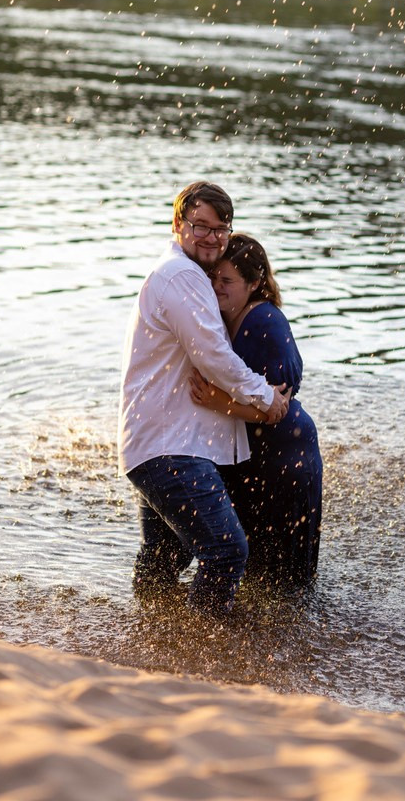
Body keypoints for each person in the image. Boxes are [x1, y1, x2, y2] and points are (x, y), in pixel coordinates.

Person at [118, 182, 289, 615]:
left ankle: (148, 642)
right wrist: (265, 396)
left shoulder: (178, 273)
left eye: (222, 229)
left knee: (164, 561)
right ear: (178, 224)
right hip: (170, 448)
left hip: (156, 443)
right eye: (201, 226)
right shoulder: (183, 276)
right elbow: (214, 357)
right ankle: (202, 656)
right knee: (226, 551)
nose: (213, 237)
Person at [189, 234, 322, 587]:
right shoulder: (224, 318)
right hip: (259, 454)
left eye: (226, 280)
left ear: (254, 283)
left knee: (285, 582)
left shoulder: (264, 320)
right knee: (256, 575)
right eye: (212, 278)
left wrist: (217, 401)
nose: (216, 287)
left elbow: (279, 401)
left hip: (285, 459)